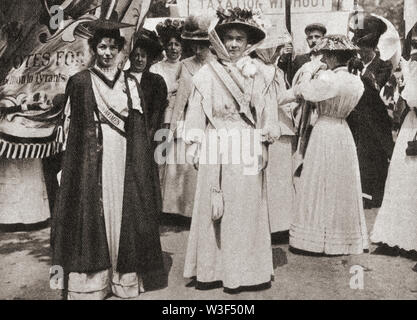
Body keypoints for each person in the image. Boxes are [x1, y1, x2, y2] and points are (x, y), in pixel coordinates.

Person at [51, 17, 165, 300]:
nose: (107, 53)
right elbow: (71, 128)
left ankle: (122, 277)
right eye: (101, 47)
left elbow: (138, 127)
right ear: (93, 48)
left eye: (112, 47)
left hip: (123, 155)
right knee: (92, 211)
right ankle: (94, 283)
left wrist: (140, 163)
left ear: (120, 50)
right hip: (91, 160)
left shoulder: (130, 83)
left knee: (124, 209)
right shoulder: (79, 82)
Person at [183, 8, 274, 292]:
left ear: (249, 43)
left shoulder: (258, 73)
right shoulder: (206, 74)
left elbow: (265, 114)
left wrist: (264, 144)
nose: (234, 44)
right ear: (218, 40)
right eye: (229, 38)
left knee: (244, 210)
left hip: (246, 143)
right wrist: (195, 146)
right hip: (214, 142)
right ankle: (211, 271)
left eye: (240, 38)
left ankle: (244, 273)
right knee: (214, 207)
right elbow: (196, 113)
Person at [289, 35, 369, 256]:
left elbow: (305, 92)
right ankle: (343, 236)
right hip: (343, 131)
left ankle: (316, 238)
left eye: (326, 56)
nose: (324, 59)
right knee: (341, 182)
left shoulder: (328, 79)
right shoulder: (355, 81)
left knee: (320, 179)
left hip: (325, 129)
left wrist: (310, 74)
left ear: (333, 57)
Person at [371, 25, 417, 262]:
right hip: (412, 124)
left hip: (414, 122)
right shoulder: (410, 66)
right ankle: (399, 236)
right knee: (402, 178)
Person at [162, 15, 214, 218]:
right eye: (194, 45)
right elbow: (180, 98)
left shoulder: (218, 65)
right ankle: (184, 212)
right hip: (190, 117)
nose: (197, 50)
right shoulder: (185, 65)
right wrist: (172, 126)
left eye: (202, 46)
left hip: (211, 121)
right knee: (187, 165)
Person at [347, 14, 394, 209]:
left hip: (376, 122)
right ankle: (361, 196)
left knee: (377, 158)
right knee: (358, 158)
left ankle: (377, 196)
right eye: (358, 47)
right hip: (356, 120)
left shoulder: (384, 65)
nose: (361, 51)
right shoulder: (352, 64)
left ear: (373, 47)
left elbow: (377, 88)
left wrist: (362, 74)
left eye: (364, 47)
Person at [254, 29, 297, 234]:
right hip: (268, 125)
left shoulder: (277, 70)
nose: (279, 53)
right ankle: (268, 224)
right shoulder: (257, 69)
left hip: (283, 125)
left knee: (281, 178)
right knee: (269, 177)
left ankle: (282, 223)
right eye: (277, 48)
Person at [0, 103, 50, 229]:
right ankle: (9, 219)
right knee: (10, 169)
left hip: (31, 123)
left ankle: (33, 217)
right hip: (6, 126)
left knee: (31, 169)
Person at [151, 19, 184, 189]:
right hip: (162, 117)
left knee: (178, 159)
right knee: (162, 156)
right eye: (169, 44)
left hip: (181, 118)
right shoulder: (156, 68)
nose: (173, 48)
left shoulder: (186, 67)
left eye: (177, 44)